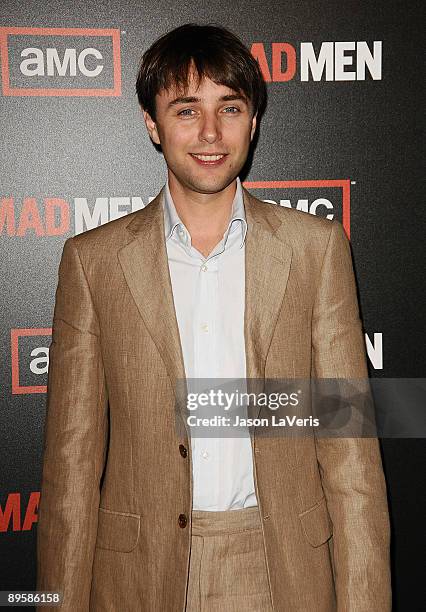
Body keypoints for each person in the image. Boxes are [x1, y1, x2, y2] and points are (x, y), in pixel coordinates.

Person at [36, 23, 391, 611]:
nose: (209, 132)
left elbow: (349, 454)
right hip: (138, 581)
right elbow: (70, 473)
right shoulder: (93, 262)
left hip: (282, 572)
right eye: (185, 110)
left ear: (253, 121)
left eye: (229, 107)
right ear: (152, 124)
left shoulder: (314, 249)